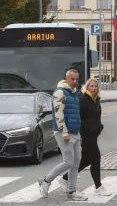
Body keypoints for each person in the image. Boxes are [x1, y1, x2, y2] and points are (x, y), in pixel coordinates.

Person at [38, 69, 87, 201]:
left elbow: (75, 115)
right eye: (72, 79)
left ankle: (72, 190)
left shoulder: (75, 93)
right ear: (66, 79)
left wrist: (79, 133)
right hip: (63, 133)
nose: (75, 82)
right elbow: (58, 115)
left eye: (77, 79)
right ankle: (46, 181)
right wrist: (64, 132)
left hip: (75, 133)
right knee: (68, 162)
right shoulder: (60, 93)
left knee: (76, 163)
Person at [57, 78, 111, 196]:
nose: (94, 88)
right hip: (86, 135)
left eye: (96, 86)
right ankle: (98, 187)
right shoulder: (84, 100)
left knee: (87, 160)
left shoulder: (96, 100)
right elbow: (79, 117)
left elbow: (97, 117)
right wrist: (81, 134)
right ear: (87, 87)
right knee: (95, 158)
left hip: (94, 134)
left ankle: (65, 178)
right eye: (91, 86)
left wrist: (99, 127)